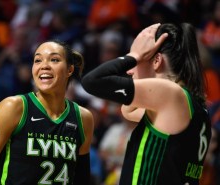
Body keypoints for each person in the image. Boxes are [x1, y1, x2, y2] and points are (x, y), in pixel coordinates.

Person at [81, 23, 212, 185]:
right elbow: (128, 111)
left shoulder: (170, 93)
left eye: (138, 59)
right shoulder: (194, 104)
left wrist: (134, 56)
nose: (129, 71)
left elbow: (91, 81)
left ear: (157, 60)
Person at [0, 40, 94, 185]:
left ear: (69, 70)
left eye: (54, 60)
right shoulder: (14, 107)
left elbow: (81, 179)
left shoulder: (83, 118)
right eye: (38, 60)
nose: (44, 66)